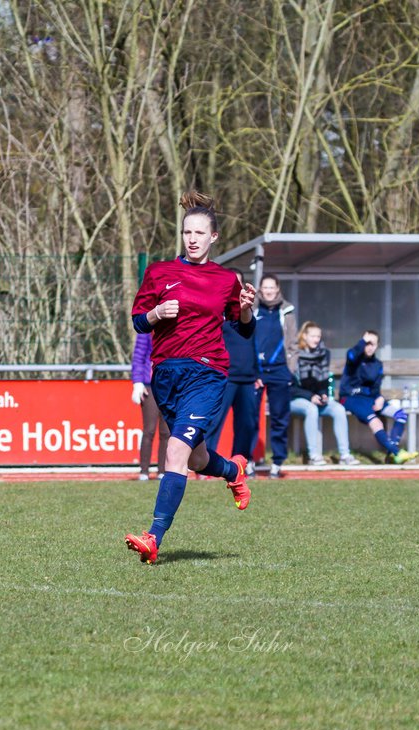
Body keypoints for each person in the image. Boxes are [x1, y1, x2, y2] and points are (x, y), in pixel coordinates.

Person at [123, 191, 256, 566]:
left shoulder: (226, 279)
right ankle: (233, 470)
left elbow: (244, 330)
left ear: (214, 237)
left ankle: (153, 537)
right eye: (187, 232)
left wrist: (246, 310)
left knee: (175, 452)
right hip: (165, 375)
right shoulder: (159, 273)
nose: (192, 239)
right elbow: (137, 321)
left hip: (208, 372)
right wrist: (156, 313)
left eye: (200, 233)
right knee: (196, 458)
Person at [203, 279, 262, 472]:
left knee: (246, 424)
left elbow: (255, 345)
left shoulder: (248, 313)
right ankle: (206, 463)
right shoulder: (217, 310)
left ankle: (241, 464)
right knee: (214, 421)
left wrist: (258, 373)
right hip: (224, 376)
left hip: (247, 378)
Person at [339, 330, 419, 464]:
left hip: (369, 398)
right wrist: (363, 341)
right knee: (376, 421)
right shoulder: (354, 358)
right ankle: (397, 452)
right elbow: (351, 355)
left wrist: (380, 398)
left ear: (377, 346)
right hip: (351, 398)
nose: (369, 347)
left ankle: (391, 454)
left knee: (401, 415)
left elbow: (375, 388)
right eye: (367, 343)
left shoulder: (377, 364)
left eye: (373, 344)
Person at [288, 321, 357, 466]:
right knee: (311, 409)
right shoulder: (294, 355)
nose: (316, 339)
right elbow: (290, 386)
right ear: (304, 336)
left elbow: (323, 381)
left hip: (316, 398)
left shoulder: (324, 354)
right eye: (313, 336)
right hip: (295, 399)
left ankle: (345, 455)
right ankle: (314, 456)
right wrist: (310, 396)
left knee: (338, 409)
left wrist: (323, 394)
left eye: (318, 336)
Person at [253, 274, 296, 477]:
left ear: (278, 289)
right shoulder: (252, 309)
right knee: (250, 417)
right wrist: (251, 370)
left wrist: (290, 370)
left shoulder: (286, 311)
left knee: (280, 417)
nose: (268, 291)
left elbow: (293, 344)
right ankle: (248, 461)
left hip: (280, 371)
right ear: (260, 290)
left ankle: (277, 462)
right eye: (265, 287)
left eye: (272, 287)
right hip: (256, 372)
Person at [130, 331, 169, 480]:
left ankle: (163, 471)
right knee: (149, 430)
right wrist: (137, 382)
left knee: (166, 432)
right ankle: (144, 471)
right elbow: (139, 356)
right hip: (149, 385)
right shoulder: (147, 329)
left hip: (168, 384)